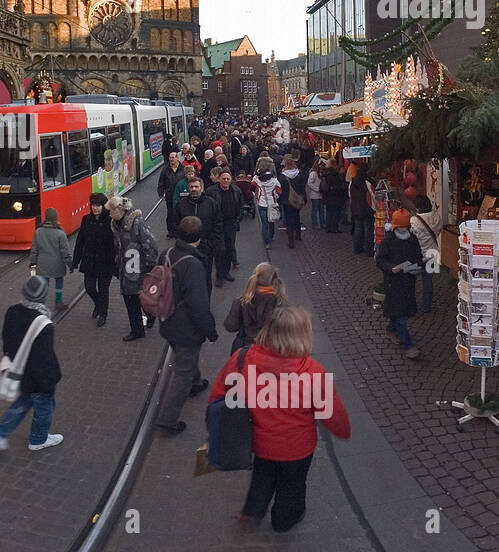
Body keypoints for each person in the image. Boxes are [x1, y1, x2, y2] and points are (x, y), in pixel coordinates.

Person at [218, 306, 351, 533]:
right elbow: (331, 414)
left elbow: (220, 396)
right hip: (297, 448)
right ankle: (283, 520)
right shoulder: (312, 372)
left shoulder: (242, 360)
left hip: (261, 442)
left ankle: (252, 511)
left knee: (262, 476)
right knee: (293, 485)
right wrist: (343, 430)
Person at [0, 271, 66, 451]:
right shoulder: (43, 324)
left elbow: (7, 339)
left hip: (18, 371)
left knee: (22, 402)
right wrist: (48, 384)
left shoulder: (12, 311)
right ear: (43, 296)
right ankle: (38, 439)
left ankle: (0, 431)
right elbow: (43, 358)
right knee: (45, 407)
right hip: (36, 378)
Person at [154, 216, 216, 435]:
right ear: (199, 237)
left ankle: (195, 382)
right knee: (182, 372)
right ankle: (167, 419)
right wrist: (211, 330)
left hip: (167, 320)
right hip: (186, 327)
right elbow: (198, 304)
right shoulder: (193, 264)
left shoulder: (166, 254)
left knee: (185, 360)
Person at [378, 209, 425, 359]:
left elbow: (418, 256)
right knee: (401, 316)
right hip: (393, 282)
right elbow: (380, 260)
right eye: (401, 226)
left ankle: (390, 329)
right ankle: (409, 345)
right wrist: (391, 268)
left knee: (398, 311)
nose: (404, 229)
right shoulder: (387, 241)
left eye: (406, 226)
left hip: (407, 281)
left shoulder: (413, 240)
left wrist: (417, 266)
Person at [72, 195, 119, 327]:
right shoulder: (86, 220)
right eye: (93, 205)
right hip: (90, 261)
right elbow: (80, 241)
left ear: (103, 206)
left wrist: (117, 263)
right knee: (89, 287)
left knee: (103, 290)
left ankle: (103, 314)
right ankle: (99, 305)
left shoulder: (110, 221)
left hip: (106, 262)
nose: (95, 208)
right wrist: (76, 260)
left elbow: (116, 243)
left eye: (98, 205)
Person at [114, 198, 157, 343]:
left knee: (141, 299)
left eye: (112, 211)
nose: (110, 214)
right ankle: (137, 330)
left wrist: (150, 267)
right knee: (130, 301)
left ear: (119, 210)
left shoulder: (137, 222)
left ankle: (150, 316)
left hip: (139, 269)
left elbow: (150, 244)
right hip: (125, 270)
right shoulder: (115, 225)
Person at [26, 207, 73, 313]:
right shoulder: (60, 233)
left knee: (44, 285)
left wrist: (33, 262)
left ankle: (42, 305)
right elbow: (65, 251)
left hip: (43, 264)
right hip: (58, 264)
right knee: (59, 282)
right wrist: (70, 263)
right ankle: (58, 302)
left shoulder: (38, 232)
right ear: (56, 218)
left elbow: (34, 249)